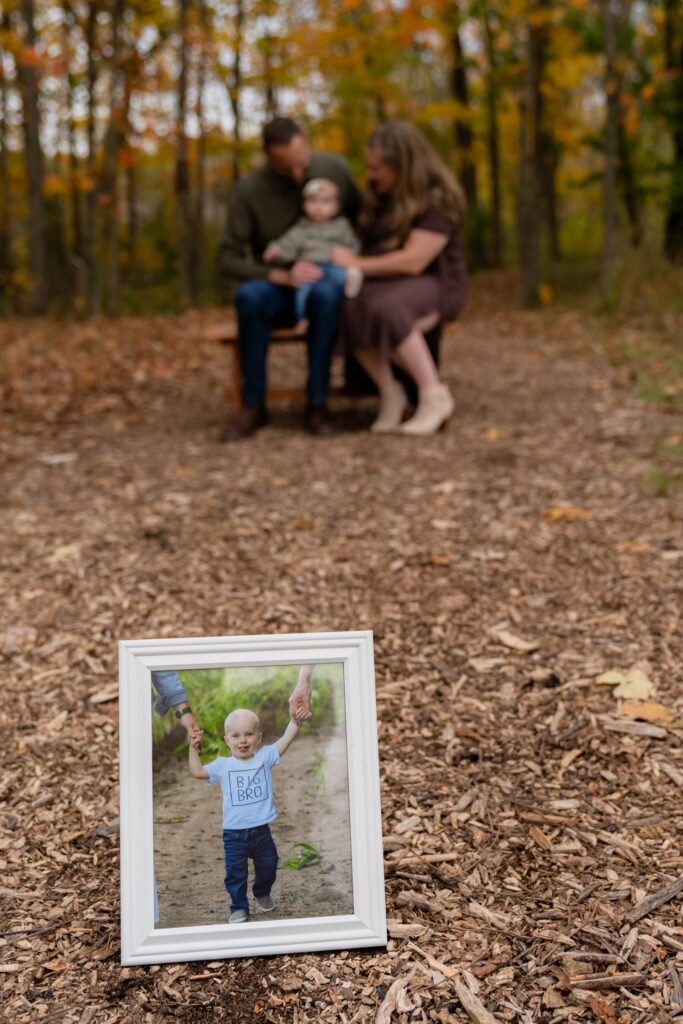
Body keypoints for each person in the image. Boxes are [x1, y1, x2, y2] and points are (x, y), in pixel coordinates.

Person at [218, 117, 362, 439]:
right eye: (287, 168)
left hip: (327, 286)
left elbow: (366, 220)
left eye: (302, 164)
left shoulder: (335, 168)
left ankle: (318, 403)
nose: (298, 175)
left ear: (306, 140)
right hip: (280, 290)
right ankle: (253, 404)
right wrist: (279, 275)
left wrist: (357, 260)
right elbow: (226, 259)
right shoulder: (250, 190)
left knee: (325, 297)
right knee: (248, 297)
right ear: (268, 155)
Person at [333, 120, 468, 435]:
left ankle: (433, 393)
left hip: (436, 282)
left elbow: (414, 261)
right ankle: (390, 392)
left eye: (377, 167)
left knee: (388, 308)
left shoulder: (438, 198)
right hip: (386, 282)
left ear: (401, 166)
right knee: (348, 306)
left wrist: (355, 263)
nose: (372, 174)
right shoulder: (381, 197)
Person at [188, 702, 304, 924]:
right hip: (234, 834)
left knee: (269, 864)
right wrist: (193, 747)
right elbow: (197, 771)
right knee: (236, 874)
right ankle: (239, 907)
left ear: (258, 738)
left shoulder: (265, 757)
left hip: (261, 831)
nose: (242, 740)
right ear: (227, 740)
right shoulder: (223, 765)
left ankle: (262, 891)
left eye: (248, 734)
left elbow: (285, 740)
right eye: (236, 735)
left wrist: (295, 722)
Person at [264, 178, 363, 324]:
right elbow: (288, 245)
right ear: (304, 205)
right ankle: (303, 317)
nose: (318, 207)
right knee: (302, 289)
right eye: (313, 201)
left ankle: (350, 292)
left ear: (336, 206)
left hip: (333, 266)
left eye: (325, 202)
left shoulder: (340, 227)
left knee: (341, 277)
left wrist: (350, 254)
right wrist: (276, 250)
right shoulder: (301, 228)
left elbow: (353, 244)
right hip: (309, 268)